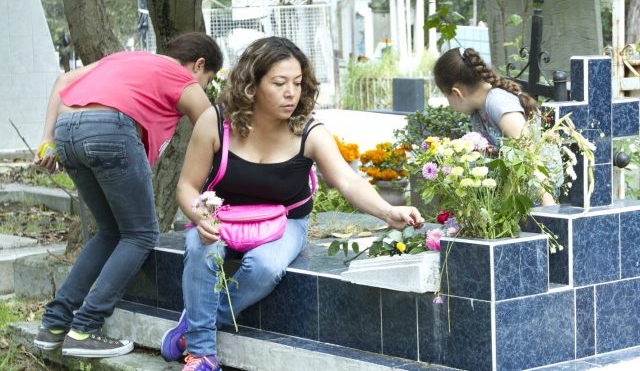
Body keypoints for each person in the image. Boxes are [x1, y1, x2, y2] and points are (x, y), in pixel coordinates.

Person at [161, 36, 424, 371]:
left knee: (265, 266)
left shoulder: (309, 131)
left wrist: (389, 211)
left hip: (287, 223)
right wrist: (200, 218)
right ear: (251, 85)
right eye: (279, 83)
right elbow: (187, 186)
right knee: (202, 249)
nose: (291, 93)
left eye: (297, 83)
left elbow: (347, 180)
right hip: (222, 218)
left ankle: (196, 325)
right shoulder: (216, 122)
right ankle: (201, 353)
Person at [32, 32, 223, 358]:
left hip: (68, 130)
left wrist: (47, 139)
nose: (202, 88)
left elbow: (63, 80)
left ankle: (53, 324)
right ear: (199, 65)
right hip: (109, 129)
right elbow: (211, 125)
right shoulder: (180, 74)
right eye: (207, 80)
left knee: (109, 232)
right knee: (141, 234)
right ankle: (85, 328)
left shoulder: (126, 60)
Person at [433, 47, 558, 206]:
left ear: (457, 93)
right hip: (519, 193)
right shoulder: (478, 108)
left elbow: (529, 153)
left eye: (446, 96)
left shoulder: (498, 103)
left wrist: (548, 204)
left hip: (539, 193)